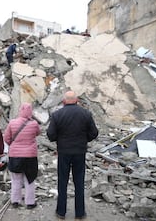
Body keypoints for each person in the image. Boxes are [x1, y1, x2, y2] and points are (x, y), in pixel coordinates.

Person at [46, 91, 98, 220]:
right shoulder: (86, 114)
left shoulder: (57, 115)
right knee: (79, 182)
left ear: (63, 101)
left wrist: (60, 139)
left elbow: (50, 135)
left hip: (64, 152)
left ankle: (61, 212)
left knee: (62, 182)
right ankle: (79, 213)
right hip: (80, 152)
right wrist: (84, 140)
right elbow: (94, 133)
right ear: (77, 101)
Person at [3, 103, 40, 209]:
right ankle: (30, 202)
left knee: (15, 179)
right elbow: (37, 133)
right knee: (30, 179)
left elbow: (6, 138)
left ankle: (15, 201)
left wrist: (14, 145)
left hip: (15, 155)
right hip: (30, 156)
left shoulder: (12, 123)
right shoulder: (34, 123)